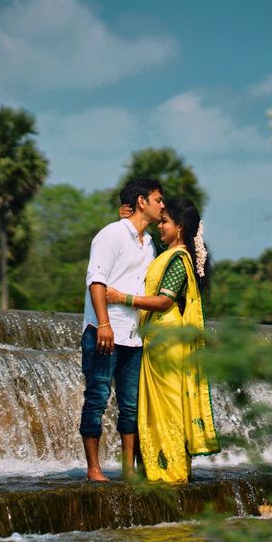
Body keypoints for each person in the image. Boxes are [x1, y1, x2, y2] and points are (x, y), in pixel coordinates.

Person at [105, 197, 220, 483]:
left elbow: (164, 300)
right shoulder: (167, 254)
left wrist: (122, 298)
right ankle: (161, 469)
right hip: (159, 339)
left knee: (168, 407)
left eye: (165, 222)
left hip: (167, 341)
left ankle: (171, 472)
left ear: (180, 228)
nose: (161, 227)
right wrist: (129, 222)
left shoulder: (179, 260)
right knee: (157, 406)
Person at [79, 178, 164, 482]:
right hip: (105, 331)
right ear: (142, 202)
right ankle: (94, 469)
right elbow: (96, 281)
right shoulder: (111, 234)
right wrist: (103, 324)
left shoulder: (150, 243)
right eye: (158, 199)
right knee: (97, 398)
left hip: (134, 335)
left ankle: (129, 471)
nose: (162, 205)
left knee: (130, 405)